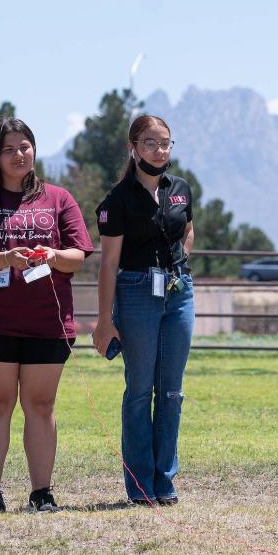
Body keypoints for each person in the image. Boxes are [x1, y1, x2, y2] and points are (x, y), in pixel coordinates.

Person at [0, 117, 93, 512]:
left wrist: (53, 254)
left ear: (34, 149)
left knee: (41, 406)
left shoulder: (59, 198)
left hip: (48, 323)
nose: (18, 155)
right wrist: (4, 259)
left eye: (24, 146)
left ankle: (41, 494)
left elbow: (78, 256)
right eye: (9, 148)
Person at [92, 115, 195, 506]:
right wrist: (105, 320)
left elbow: (188, 227)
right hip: (136, 292)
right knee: (140, 389)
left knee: (171, 391)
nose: (160, 150)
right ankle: (139, 486)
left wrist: (181, 261)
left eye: (166, 142)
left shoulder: (181, 189)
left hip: (179, 292)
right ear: (132, 148)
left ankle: (164, 481)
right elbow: (108, 263)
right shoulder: (117, 201)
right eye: (150, 143)